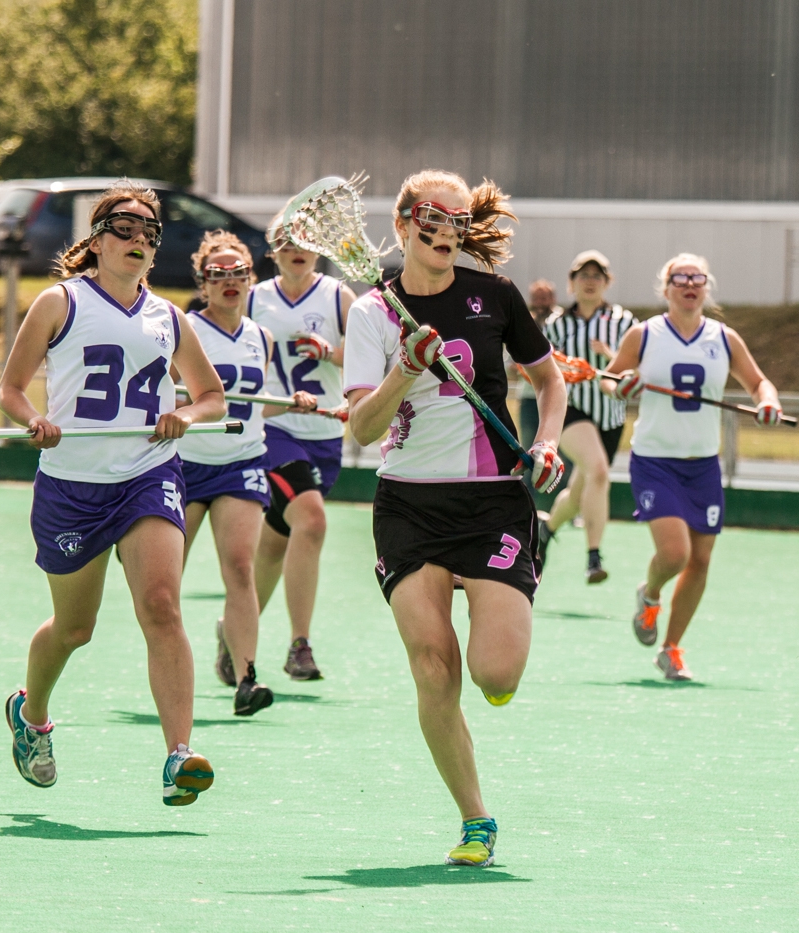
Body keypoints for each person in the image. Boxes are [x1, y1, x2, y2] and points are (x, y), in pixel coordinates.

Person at [342, 169, 566, 868]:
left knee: (495, 677)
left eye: (460, 220)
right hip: (408, 505)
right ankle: (476, 819)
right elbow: (359, 428)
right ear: (405, 223)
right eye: (435, 217)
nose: (448, 231)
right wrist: (403, 371)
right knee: (434, 669)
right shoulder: (372, 312)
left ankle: (527, 553)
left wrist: (549, 439)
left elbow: (550, 379)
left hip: (493, 500)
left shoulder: (494, 297)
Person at [0, 181, 227, 805]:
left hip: (148, 473)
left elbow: (212, 397)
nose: (138, 241)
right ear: (97, 239)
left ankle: (179, 754)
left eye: (149, 233)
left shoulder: (167, 318)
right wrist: (31, 422)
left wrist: (187, 415)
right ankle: (31, 713)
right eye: (124, 229)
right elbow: (12, 390)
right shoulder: (58, 302)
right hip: (72, 483)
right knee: (75, 629)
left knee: (162, 604)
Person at [603, 253, 781, 682]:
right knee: (675, 553)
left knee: (700, 559)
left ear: (706, 287)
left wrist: (768, 401)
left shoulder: (723, 338)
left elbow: (758, 382)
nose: (689, 284)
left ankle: (670, 649)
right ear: (665, 288)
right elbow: (610, 379)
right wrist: (620, 385)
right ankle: (649, 595)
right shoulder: (644, 335)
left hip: (702, 465)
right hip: (655, 461)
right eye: (679, 278)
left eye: (697, 278)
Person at [176, 231, 319, 716]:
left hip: (240, 465)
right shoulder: (184, 330)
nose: (230, 281)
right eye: (218, 274)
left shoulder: (262, 336)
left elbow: (255, 410)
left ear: (250, 279)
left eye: (238, 272)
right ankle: (174, 670)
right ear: (203, 282)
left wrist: (291, 404)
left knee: (240, 569)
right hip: (185, 464)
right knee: (162, 578)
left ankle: (245, 678)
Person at [246, 213, 357, 683]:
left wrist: (330, 352)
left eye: (308, 241)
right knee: (310, 520)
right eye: (288, 241)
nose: (298, 248)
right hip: (274, 428)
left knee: (277, 540)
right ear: (273, 249)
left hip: (325, 434)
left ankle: (234, 633)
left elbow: (378, 351)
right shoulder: (254, 298)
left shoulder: (338, 297)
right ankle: (300, 645)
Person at [535, 251, 636, 583]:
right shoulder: (557, 324)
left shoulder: (624, 322)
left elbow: (634, 367)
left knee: (582, 490)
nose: (590, 282)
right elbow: (542, 367)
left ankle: (547, 529)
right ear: (572, 283)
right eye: (583, 276)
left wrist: (613, 365)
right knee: (599, 470)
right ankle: (594, 556)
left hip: (611, 415)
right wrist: (568, 369)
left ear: (607, 283)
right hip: (572, 410)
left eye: (597, 276)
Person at [516, 279, 559, 448]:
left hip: (555, 394)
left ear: (553, 299)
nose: (540, 302)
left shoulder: (562, 322)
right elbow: (510, 363)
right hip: (529, 395)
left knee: (557, 449)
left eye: (544, 298)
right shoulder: (524, 323)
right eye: (536, 298)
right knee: (528, 445)